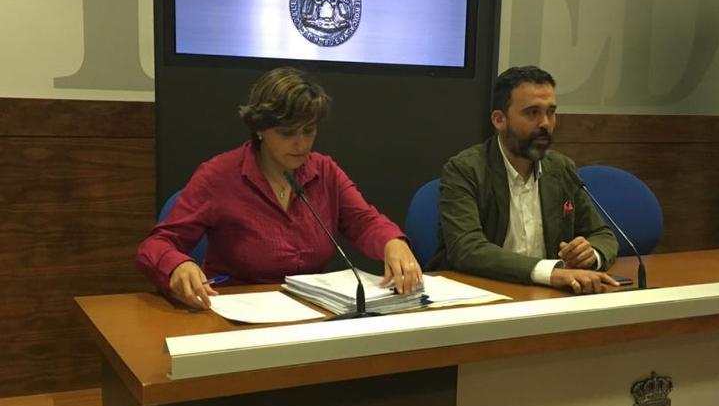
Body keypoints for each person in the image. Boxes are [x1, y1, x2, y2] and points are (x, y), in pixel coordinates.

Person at [137, 67, 421, 309]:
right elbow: (157, 244)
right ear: (260, 128)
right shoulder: (219, 175)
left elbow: (364, 222)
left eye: (308, 131)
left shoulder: (325, 171)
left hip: (310, 313)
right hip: (236, 314)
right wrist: (176, 265)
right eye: (287, 133)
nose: (301, 144)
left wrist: (392, 243)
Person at [432, 66, 620, 294]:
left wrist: (591, 255)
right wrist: (550, 272)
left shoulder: (561, 169)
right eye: (532, 113)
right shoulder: (465, 170)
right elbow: (467, 249)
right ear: (499, 120)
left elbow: (603, 234)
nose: (545, 124)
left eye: (551, 112)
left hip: (549, 296)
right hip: (481, 294)